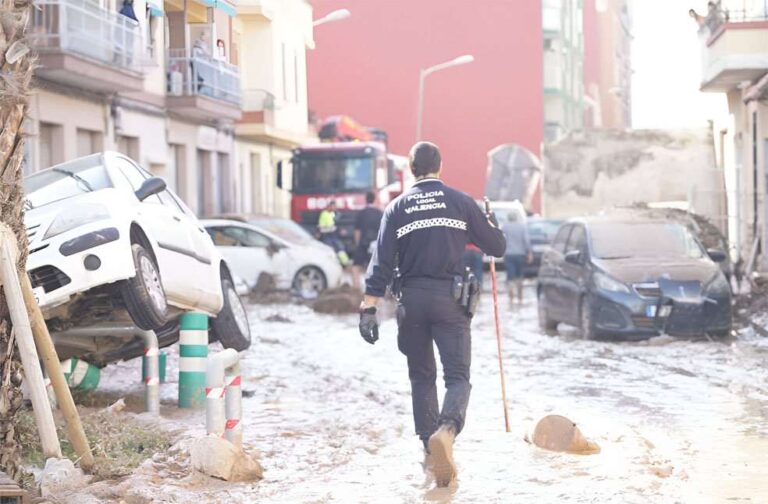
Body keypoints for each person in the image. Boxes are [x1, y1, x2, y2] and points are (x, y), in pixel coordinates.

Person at [358, 142, 505, 487]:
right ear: (441, 166)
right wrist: (491, 222)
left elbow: (379, 263)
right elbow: (496, 247)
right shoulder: (460, 202)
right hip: (450, 301)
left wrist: (368, 307)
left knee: (421, 375)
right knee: (457, 376)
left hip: (411, 300)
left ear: (411, 169)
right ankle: (447, 430)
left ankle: (428, 449)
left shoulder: (396, 209)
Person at [353, 191, 383, 290]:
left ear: (366, 200)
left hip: (363, 243)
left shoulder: (361, 213)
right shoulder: (380, 213)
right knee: (378, 267)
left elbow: (357, 231)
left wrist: (358, 245)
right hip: (376, 244)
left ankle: (357, 289)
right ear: (374, 200)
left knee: (356, 266)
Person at [501, 211, 532, 305]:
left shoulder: (505, 227)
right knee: (519, 275)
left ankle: (511, 296)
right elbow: (526, 240)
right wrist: (529, 252)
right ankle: (520, 296)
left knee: (510, 275)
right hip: (520, 254)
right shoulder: (522, 226)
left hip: (509, 254)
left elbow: (502, 239)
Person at [318, 201, 349, 266]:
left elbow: (334, 224)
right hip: (327, 236)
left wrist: (339, 230)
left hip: (333, 235)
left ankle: (345, 263)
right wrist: (333, 229)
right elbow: (322, 228)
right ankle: (332, 265)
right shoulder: (324, 214)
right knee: (330, 250)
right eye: (334, 206)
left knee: (340, 248)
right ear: (330, 206)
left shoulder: (332, 213)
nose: (335, 208)